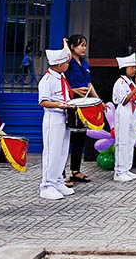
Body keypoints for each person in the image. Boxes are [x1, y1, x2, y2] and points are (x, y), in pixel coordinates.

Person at [38, 47, 75, 201]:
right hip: (53, 119)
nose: (68, 64)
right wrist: (60, 105)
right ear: (59, 65)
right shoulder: (47, 80)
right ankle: (46, 186)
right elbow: (43, 101)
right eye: (66, 62)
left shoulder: (61, 77)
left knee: (62, 151)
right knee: (52, 152)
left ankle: (58, 180)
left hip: (63, 118)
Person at [64, 34, 98, 185]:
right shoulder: (68, 62)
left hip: (85, 104)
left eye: (85, 45)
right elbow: (62, 84)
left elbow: (89, 84)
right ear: (72, 47)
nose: (84, 48)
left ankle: (75, 170)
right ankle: (61, 174)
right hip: (70, 104)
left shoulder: (84, 63)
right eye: (80, 45)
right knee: (66, 140)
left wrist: (98, 101)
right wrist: (75, 90)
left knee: (80, 138)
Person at [112, 54, 136, 181]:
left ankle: (126, 168)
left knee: (130, 140)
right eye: (132, 68)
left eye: (135, 67)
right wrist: (134, 92)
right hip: (123, 111)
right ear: (124, 68)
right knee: (122, 141)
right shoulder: (120, 82)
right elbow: (123, 101)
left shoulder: (130, 82)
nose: (134, 70)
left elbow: (134, 100)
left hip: (132, 110)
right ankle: (119, 171)